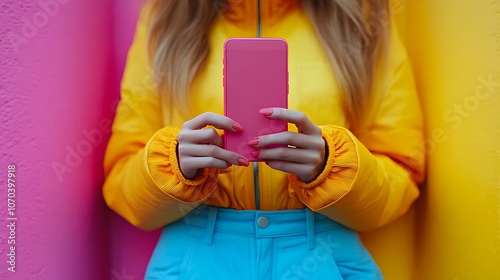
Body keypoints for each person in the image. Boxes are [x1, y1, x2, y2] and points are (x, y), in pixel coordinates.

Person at [103, 0, 425, 279]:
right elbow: (122, 183)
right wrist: (175, 164)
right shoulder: (166, 19)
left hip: (322, 255)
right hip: (195, 257)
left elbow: (401, 171)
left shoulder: (363, 18)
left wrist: (329, 165)